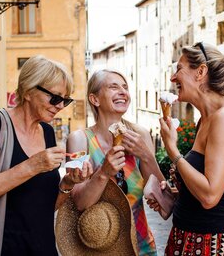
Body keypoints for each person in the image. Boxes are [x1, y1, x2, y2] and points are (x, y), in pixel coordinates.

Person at [0, 55, 93, 256]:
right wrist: (32, 166)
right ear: (28, 91)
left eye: (66, 100)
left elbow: (45, 208)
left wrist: (67, 184)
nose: (60, 106)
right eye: (55, 98)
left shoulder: (46, 132)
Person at [149, 42, 224, 255]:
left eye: (179, 69)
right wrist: (174, 197)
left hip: (210, 244)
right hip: (188, 238)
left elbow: (209, 196)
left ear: (201, 72)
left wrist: (173, 152)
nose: (173, 78)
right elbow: (205, 188)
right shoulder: (205, 120)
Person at [67, 69, 165, 256]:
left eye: (125, 87)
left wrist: (146, 156)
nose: (123, 92)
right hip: (98, 250)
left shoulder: (141, 135)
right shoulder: (79, 140)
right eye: (113, 87)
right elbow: (78, 203)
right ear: (94, 99)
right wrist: (103, 172)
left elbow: (162, 198)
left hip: (142, 248)